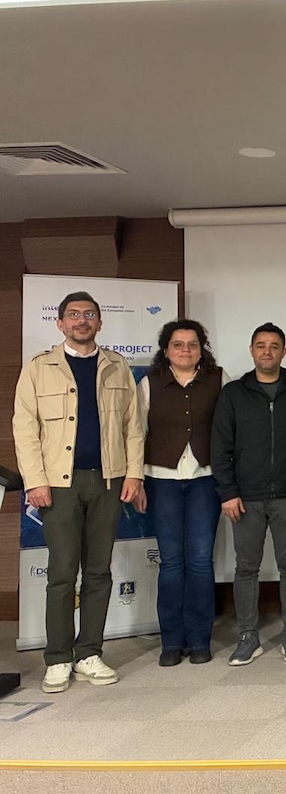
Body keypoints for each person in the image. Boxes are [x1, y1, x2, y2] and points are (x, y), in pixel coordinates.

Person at [13, 292, 146, 694]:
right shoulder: (39, 368)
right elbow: (25, 427)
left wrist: (134, 474)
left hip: (107, 481)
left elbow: (133, 427)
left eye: (89, 314)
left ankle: (89, 652)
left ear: (99, 323)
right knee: (61, 573)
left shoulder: (117, 366)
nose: (81, 320)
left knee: (99, 571)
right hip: (58, 484)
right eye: (73, 315)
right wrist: (35, 480)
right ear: (60, 323)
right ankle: (58, 658)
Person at [211, 322, 286, 666]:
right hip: (246, 498)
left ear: (284, 351)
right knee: (246, 568)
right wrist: (227, 492)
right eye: (261, 345)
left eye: (274, 346)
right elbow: (220, 446)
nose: (267, 351)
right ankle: (247, 636)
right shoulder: (233, 394)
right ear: (251, 351)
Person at [138, 319, 230, 667]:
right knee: (172, 562)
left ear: (201, 349)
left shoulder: (219, 379)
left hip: (205, 480)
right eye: (178, 344)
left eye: (192, 344)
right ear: (166, 350)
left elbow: (229, 431)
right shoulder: (149, 384)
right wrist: (135, 480)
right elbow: (136, 434)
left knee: (201, 561)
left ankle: (200, 639)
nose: (185, 350)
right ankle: (172, 642)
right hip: (161, 481)